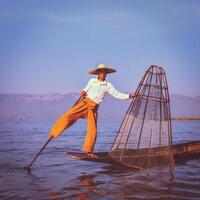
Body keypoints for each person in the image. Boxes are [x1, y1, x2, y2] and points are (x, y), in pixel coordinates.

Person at [49, 64, 135, 157]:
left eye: (105, 72)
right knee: (68, 116)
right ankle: (53, 133)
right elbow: (86, 89)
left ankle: (88, 151)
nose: (103, 74)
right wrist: (83, 91)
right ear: (98, 73)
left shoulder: (108, 85)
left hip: (93, 109)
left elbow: (117, 94)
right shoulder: (92, 81)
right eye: (101, 72)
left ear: (106, 74)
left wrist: (129, 95)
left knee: (93, 130)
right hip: (84, 104)